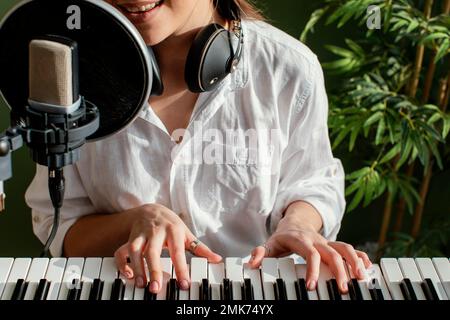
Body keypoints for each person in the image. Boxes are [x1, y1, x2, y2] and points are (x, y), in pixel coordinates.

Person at [25, 0, 371, 295]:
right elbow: (61, 229)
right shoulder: (65, 75)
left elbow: (312, 182)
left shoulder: (289, 66)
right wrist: (133, 221)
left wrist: (299, 224)